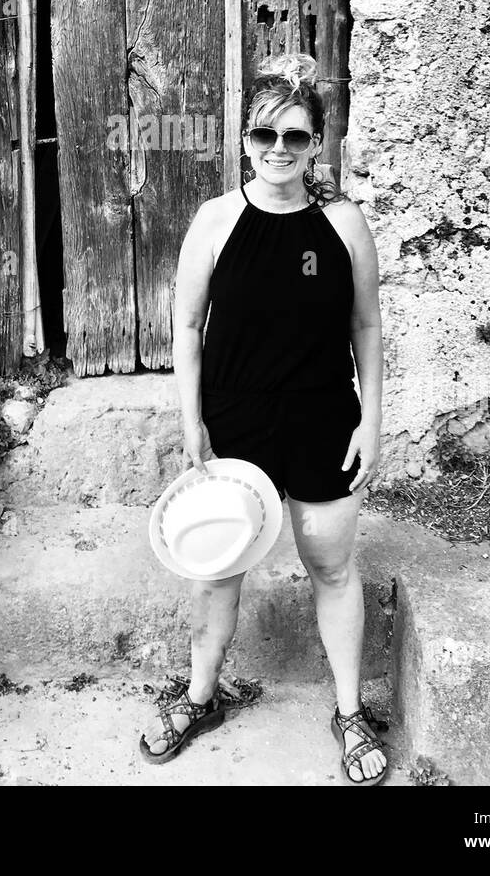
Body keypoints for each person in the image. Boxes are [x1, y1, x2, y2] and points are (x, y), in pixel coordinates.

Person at [139, 51, 387, 784]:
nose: (277, 151)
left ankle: (348, 712)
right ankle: (198, 696)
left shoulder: (342, 223)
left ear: (316, 144)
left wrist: (370, 421)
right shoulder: (215, 220)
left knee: (331, 565)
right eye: (263, 137)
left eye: (295, 138)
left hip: (320, 416)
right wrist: (191, 421)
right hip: (234, 419)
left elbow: (367, 327)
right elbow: (185, 328)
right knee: (217, 570)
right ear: (243, 141)